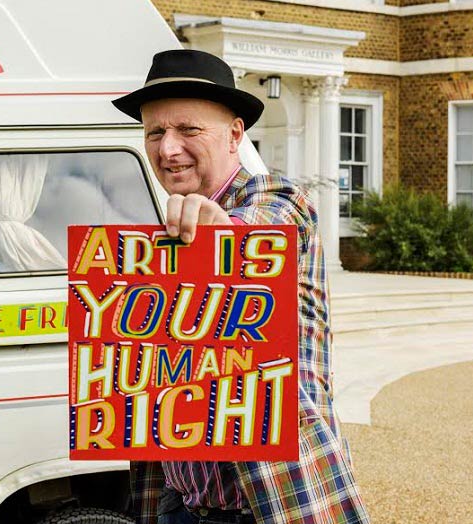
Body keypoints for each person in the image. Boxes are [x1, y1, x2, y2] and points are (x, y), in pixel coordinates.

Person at [111, 49, 370, 524]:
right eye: (155, 132)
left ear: (234, 135)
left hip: (269, 501)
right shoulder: (160, 231)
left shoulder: (276, 198)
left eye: (188, 130)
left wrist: (223, 235)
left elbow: (261, 229)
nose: (168, 148)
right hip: (179, 500)